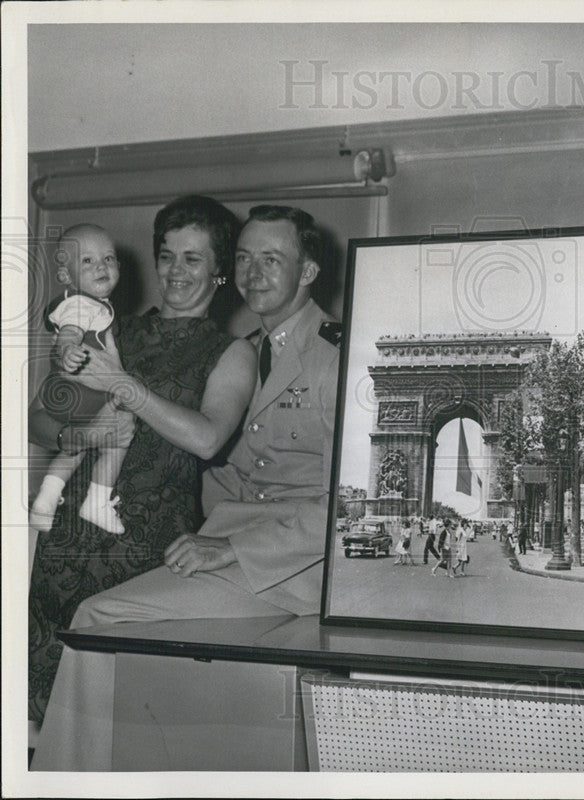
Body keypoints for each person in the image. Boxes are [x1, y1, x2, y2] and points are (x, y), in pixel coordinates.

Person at [31, 204, 341, 771]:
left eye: (272, 259)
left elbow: (355, 504)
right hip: (190, 542)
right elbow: (229, 476)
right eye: (246, 258)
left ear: (310, 271)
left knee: (99, 623)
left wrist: (228, 547)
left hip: (287, 566)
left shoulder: (330, 359)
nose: (254, 273)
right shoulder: (242, 343)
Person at [28, 196, 254, 727]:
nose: (176, 271)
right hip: (69, 543)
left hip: (149, 554)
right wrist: (85, 435)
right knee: (49, 719)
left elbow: (205, 439)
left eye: (193, 259)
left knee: (132, 721)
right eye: (167, 255)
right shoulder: (108, 327)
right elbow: (38, 421)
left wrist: (122, 386)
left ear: (220, 270)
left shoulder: (231, 351)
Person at [30, 224, 133, 534]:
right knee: (119, 438)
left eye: (109, 258)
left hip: (65, 395)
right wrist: (67, 352)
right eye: (87, 261)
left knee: (76, 446)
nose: (101, 266)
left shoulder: (90, 303)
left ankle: (45, 501)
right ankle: (98, 501)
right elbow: (70, 332)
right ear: (65, 276)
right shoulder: (82, 303)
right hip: (80, 390)